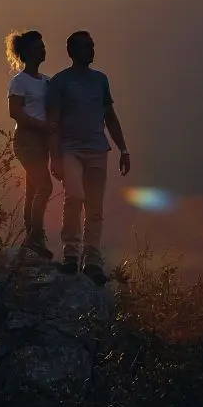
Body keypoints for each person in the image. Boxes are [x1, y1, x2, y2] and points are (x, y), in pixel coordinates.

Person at [46, 30, 130, 285]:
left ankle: (91, 261)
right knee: (74, 198)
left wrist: (123, 149)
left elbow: (110, 117)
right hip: (70, 150)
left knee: (95, 207)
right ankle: (71, 256)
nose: (91, 50)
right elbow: (53, 123)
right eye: (86, 46)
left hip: (97, 150)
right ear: (72, 51)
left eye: (92, 46)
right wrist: (55, 157)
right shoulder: (60, 82)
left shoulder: (100, 80)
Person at [5, 30, 55, 259]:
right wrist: (43, 126)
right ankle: (35, 237)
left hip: (42, 142)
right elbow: (15, 112)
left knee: (33, 189)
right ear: (26, 53)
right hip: (26, 139)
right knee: (45, 187)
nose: (42, 50)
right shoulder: (19, 81)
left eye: (43, 47)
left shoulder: (47, 81)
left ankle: (32, 238)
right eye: (37, 48)